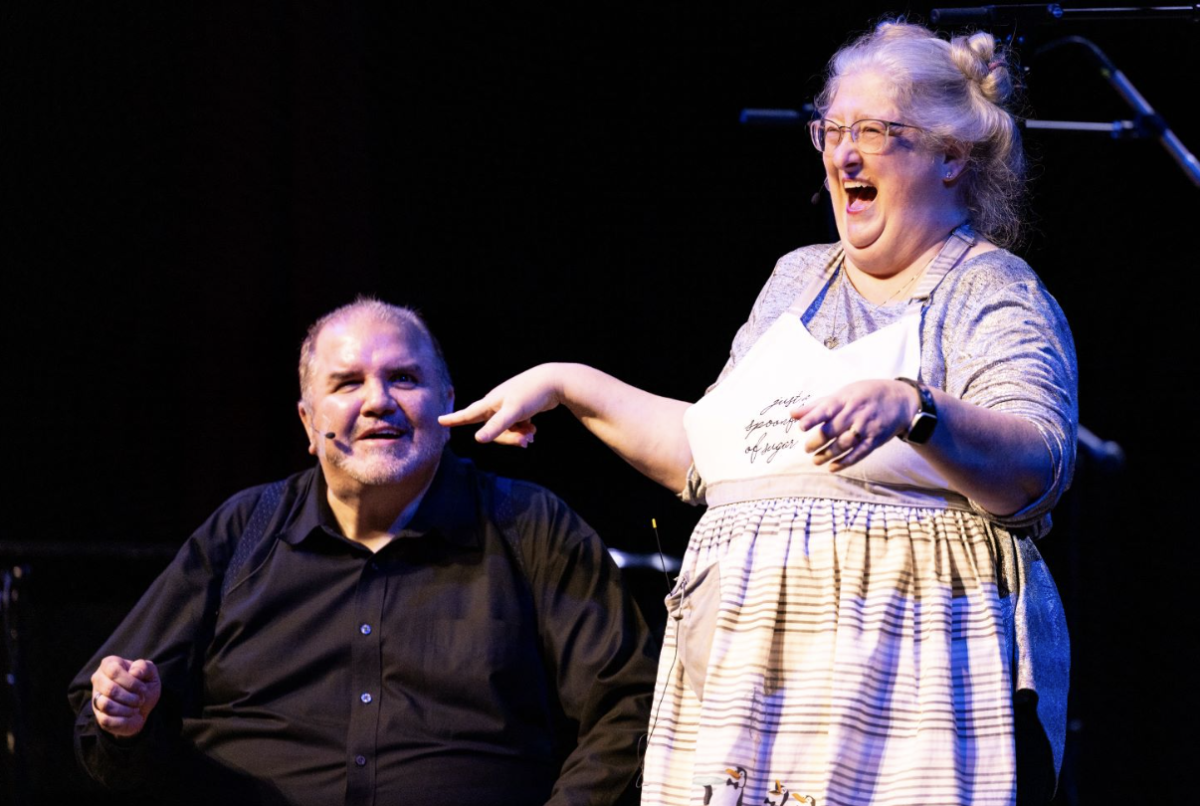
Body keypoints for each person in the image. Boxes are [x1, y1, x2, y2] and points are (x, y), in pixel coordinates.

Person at [441, 21, 1075, 806]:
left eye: (875, 132)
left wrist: (917, 409)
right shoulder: (797, 278)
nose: (844, 154)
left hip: (908, 693)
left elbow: (1038, 465)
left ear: (951, 157)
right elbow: (712, 453)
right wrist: (569, 383)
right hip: (753, 690)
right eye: (832, 129)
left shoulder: (988, 287)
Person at [68, 298, 658, 806]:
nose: (378, 401)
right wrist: (122, 718)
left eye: (404, 378)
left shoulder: (530, 526)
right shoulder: (246, 529)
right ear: (308, 420)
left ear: (446, 403)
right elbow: (107, 715)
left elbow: (628, 707)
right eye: (348, 384)